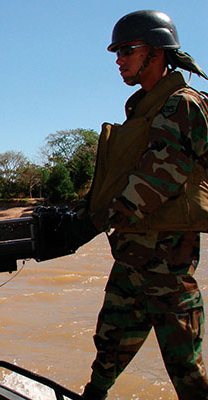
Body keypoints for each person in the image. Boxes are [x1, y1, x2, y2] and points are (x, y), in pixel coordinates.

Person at [76, 10, 208, 399]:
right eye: (116, 52)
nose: (118, 60)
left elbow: (157, 180)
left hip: (166, 261)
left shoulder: (182, 105)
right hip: (134, 254)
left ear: (156, 53)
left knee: (185, 367)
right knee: (109, 347)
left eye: (127, 50)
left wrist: (97, 221)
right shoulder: (146, 107)